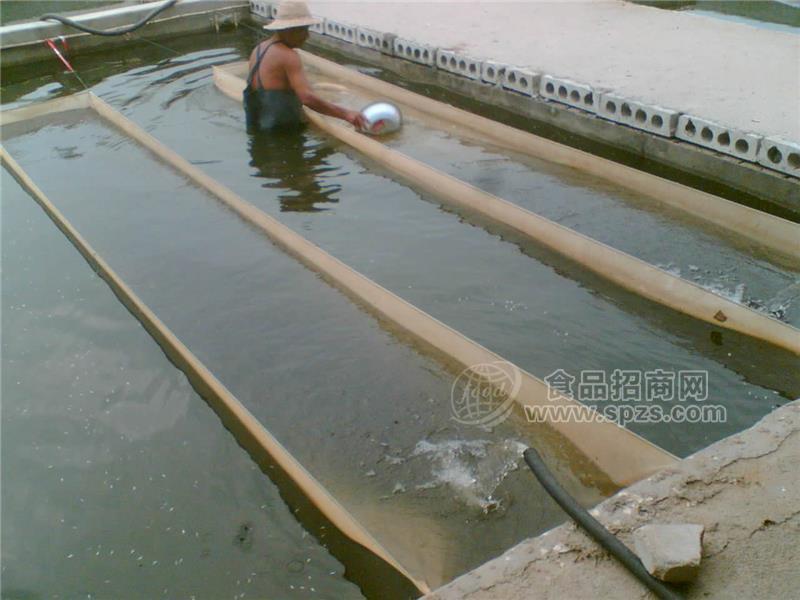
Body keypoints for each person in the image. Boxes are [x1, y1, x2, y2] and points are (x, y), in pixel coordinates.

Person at [244, 1, 366, 133]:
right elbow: (307, 98)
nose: (307, 36)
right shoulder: (289, 56)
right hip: (281, 135)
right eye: (304, 30)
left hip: (257, 131)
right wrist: (346, 114)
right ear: (289, 30)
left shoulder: (258, 49)